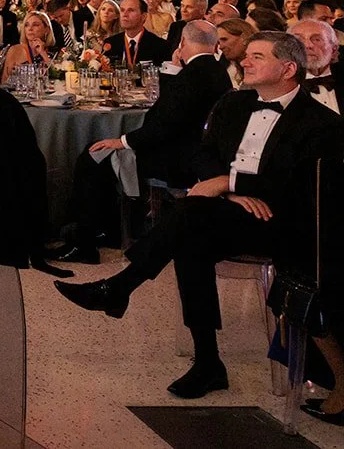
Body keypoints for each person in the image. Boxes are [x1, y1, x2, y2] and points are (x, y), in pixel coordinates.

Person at [55, 32, 344, 398]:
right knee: (192, 231)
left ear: (288, 69)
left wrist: (228, 183)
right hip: (229, 210)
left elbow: (299, 182)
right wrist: (226, 188)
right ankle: (205, 359)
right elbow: (202, 154)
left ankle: (126, 292)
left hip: (281, 221)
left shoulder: (320, 121)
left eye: (257, 56)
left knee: (189, 220)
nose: (244, 61)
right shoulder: (233, 104)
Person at [50, 21, 231, 264]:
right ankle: (108, 230)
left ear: (183, 43)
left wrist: (122, 141)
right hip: (192, 152)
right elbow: (170, 109)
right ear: (215, 44)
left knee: (92, 158)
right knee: (101, 156)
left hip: (176, 159)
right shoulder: (215, 71)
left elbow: (163, 125)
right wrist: (173, 69)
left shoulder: (192, 76)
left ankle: (85, 243)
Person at [104, 0, 171, 69]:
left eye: (131, 10)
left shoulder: (160, 46)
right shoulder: (110, 44)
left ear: (143, 16)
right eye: (122, 10)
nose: (125, 15)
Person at [290, 17, 340, 114]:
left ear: (333, 50)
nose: (308, 45)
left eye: (317, 39)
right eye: (298, 40)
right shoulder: (278, 85)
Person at [0, 10, 55, 83]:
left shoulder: (53, 51)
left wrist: (43, 53)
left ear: (46, 29)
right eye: (26, 25)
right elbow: (4, 82)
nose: (30, 29)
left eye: (35, 25)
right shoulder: (15, 50)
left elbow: (57, 78)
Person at [216, 17, 254, 87]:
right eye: (219, 42)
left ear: (244, 37)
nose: (221, 47)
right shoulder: (235, 69)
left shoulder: (260, 69)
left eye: (224, 39)